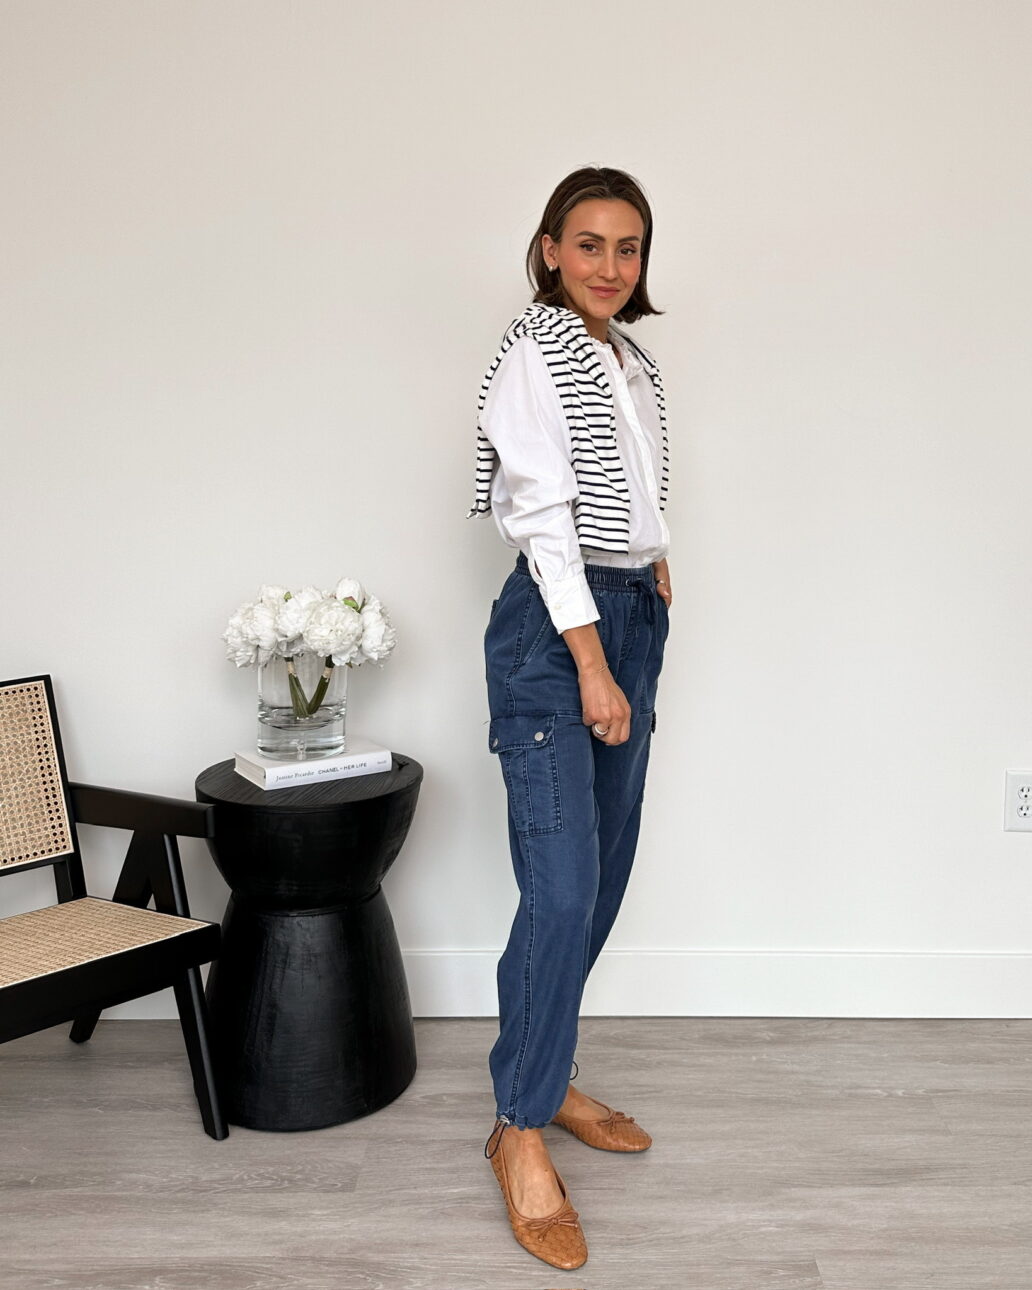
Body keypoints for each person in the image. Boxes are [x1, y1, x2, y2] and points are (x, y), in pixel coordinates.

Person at [466, 165, 672, 1271]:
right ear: (549, 249)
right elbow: (544, 516)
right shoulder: (534, 355)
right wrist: (595, 664)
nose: (608, 266)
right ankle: (521, 1126)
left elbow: (624, 492)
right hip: (561, 636)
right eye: (587, 244)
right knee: (562, 885)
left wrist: (658, 562)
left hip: (626, 611)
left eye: (627, 247)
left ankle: (542, 1069)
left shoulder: (626, 361)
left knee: (605, 873)